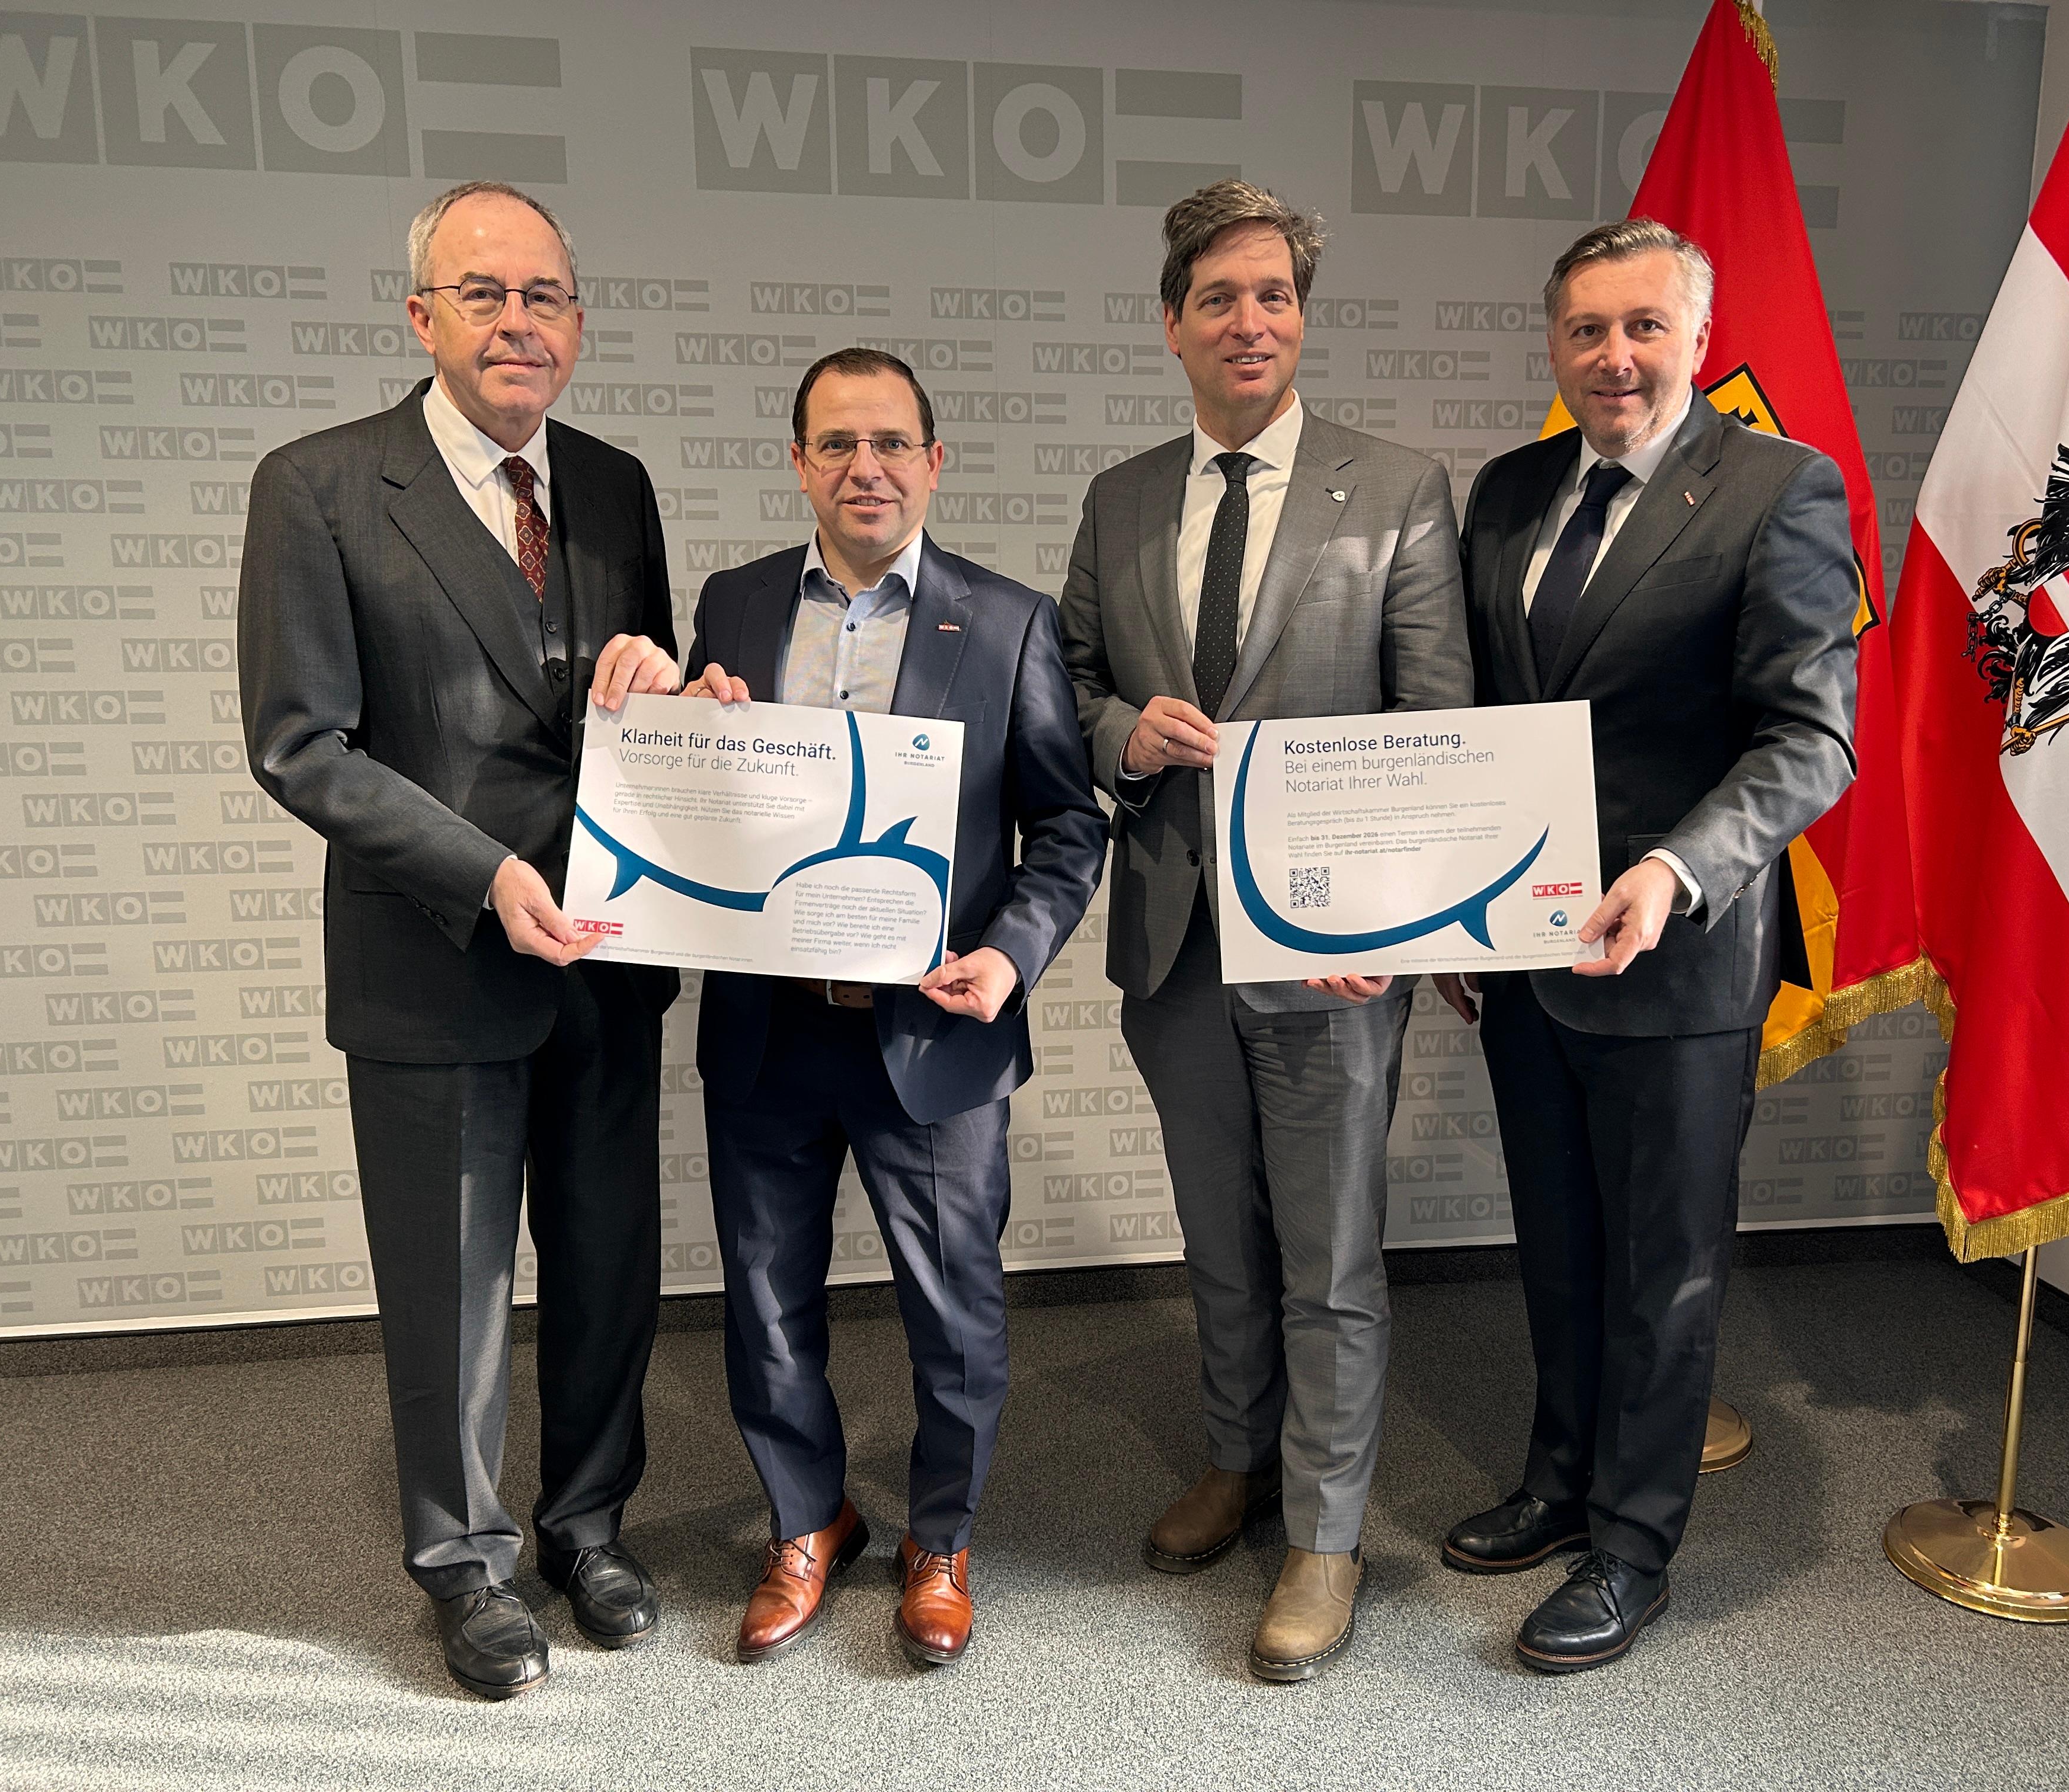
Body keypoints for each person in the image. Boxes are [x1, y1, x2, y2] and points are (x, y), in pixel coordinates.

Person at [238, 181, 683, 1699]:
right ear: (421, 314)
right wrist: (486, 873)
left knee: (610, 1265)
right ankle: (466, 1565)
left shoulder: (615, 486)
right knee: (450, 1285)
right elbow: (302, 745)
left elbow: (633, 709)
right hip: (435, 954)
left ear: (579, 321)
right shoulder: (317, 486)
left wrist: (676, 687)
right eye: (483, 293)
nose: (517, 322)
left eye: (544, 295)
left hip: (609, 951)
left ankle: (586, 1524)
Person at [1057, 180, 1473, 1681]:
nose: (1251, 322)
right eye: (1220, 298)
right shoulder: (1119, 499)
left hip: (1334, 954)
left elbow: (1435, 725)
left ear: (1302, 319)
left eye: (1275, 297)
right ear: (1172, 324)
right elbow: (1067, 687)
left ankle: (1326, 1532)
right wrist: (1121, 731)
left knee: (1332, 1252)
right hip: (1174, 941)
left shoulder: (1399, 487)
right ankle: (1238, 1460)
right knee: (1218, 1237)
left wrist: (1403, 922)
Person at [1436, 217, 1858, 1672]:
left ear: (1697, 338)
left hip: (1679, 960)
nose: (1613, 357)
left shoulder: (1780, 489)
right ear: (1554, 346)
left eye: (1643, 327)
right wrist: (1451, 908)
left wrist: (1680, 870)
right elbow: (1483, 723)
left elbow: (1811, 738)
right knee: (1557, 1242)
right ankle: (1560, 1480)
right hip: (1525, 957)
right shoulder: (1507, 493)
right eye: (1586, 331)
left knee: (1664, 1270)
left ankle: (1633, 1544)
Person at [682, 348, 1105, 1669]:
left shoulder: (1011, 622)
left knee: (954, 1308)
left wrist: (1012, 959)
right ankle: (806, 1519)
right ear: (799, 463)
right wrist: (682, 739)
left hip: (936, 1029)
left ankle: (942, 1537)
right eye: (836, 444)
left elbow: (1070, 827)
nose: (865, 467)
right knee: (765, 1299)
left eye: (890, 443)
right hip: (769, 1025)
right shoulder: (735, 605)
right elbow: (699, 798)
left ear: (934, 461)